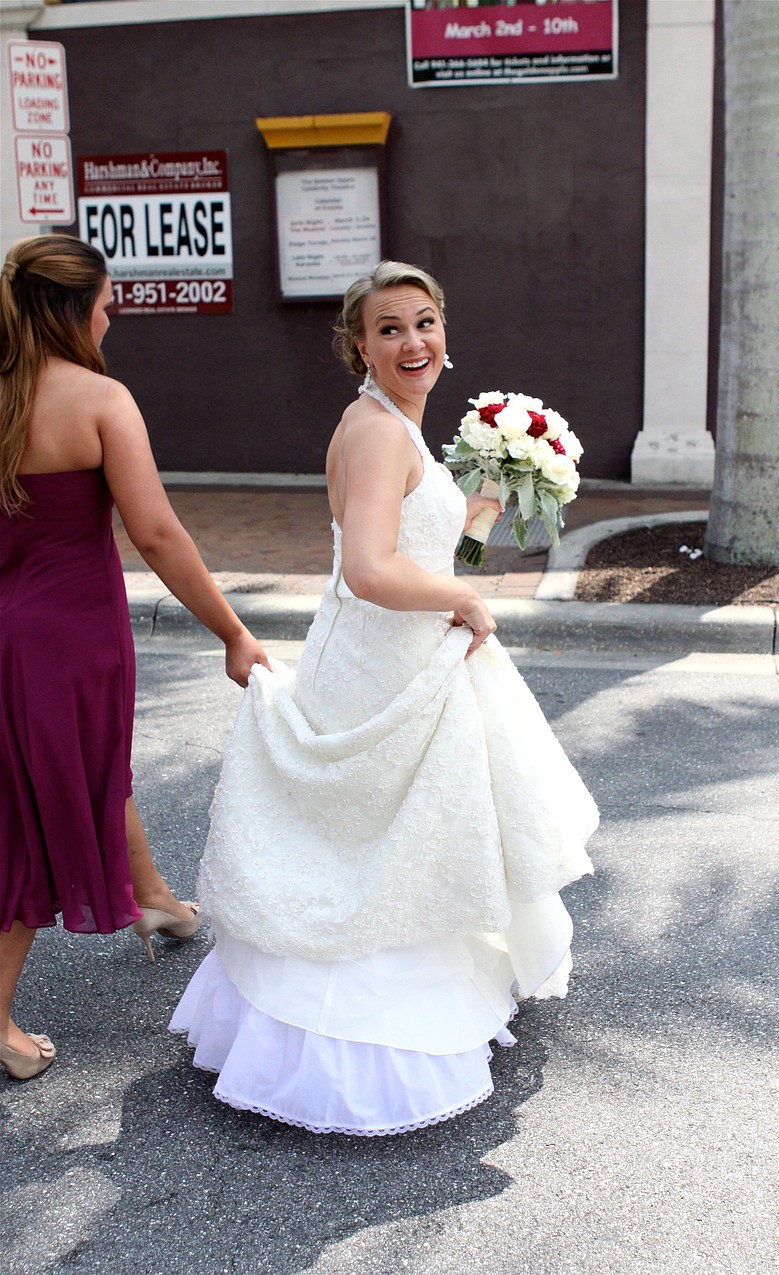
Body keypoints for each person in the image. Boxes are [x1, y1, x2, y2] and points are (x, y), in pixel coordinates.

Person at [170, 260, 598, 1134]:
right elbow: (368, 571)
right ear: (358, 346)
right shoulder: (372, 431)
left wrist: (478, 517)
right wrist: (464, 601)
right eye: (390, 327)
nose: (414, 341)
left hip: (416, 658)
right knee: (373, 852)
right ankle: (346, 1045)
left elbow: (430, 561)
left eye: (426, 321)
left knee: (415, 844)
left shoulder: (402, 429)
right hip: (377, 666)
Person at [0, 234, 269, 1082]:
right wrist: (232, 629)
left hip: (8, 629)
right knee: (33, 820)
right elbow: (155, 532)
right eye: (108, 300)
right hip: (70, 642)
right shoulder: (100, 400)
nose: (113, 314)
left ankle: (155, 901)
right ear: (73, 308)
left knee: (82, 774)